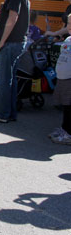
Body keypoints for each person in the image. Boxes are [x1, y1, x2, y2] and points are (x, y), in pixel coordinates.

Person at [49, 13, 71, 145]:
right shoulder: (68, 40)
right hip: (63, 78)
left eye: (69, 23)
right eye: (68, 23)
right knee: (64, 105)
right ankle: (64, 129)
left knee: (69, 107)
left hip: (69, 79)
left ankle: (68, 133)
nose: (68, 26)